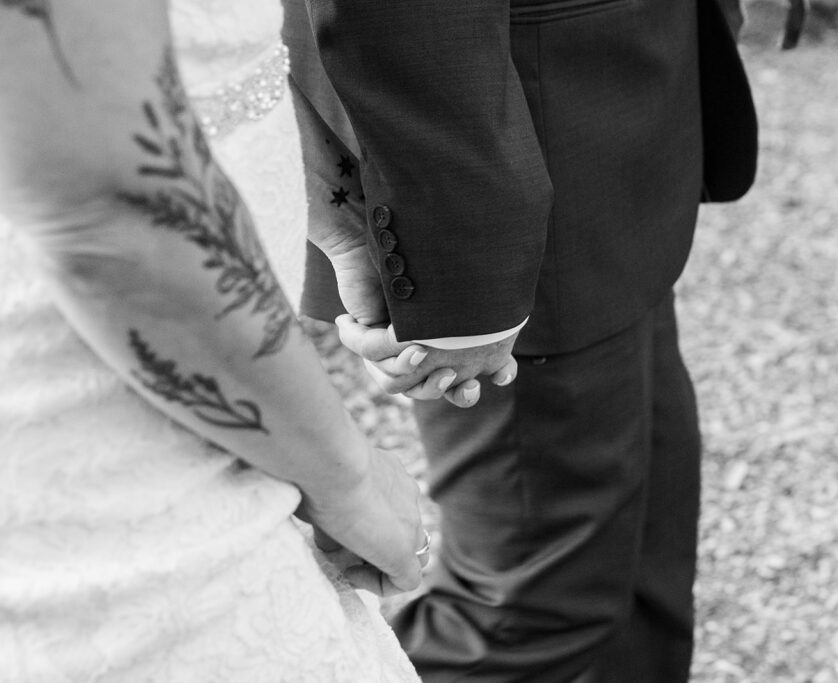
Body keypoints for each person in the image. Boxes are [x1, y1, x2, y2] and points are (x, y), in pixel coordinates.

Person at [287, 0, 758, 680]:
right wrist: (463, 283)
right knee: (532, 606)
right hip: (513, 153)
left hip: (613, 118)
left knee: (641, 558)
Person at [0, 1, 428, 680]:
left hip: (206, 380)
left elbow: (197, 69)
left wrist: (342, 218)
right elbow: (110, 199)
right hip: (101, 423)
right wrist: (348, 479)